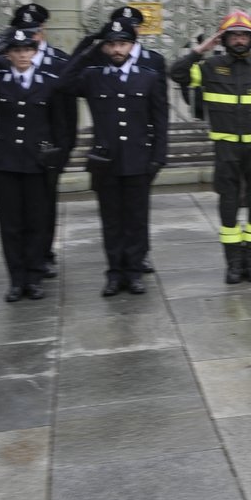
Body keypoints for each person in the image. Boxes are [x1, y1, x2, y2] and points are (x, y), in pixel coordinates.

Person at [170, 10, 251, 284]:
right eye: (233, 34)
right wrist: (201, 49)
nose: (239, 39)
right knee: (228, 205)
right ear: (224, 38)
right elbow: (176, 73)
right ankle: (234, 264)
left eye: (244, 34)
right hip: (226, 149)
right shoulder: (209, 67)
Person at [56, 17, 168, 297]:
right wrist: (88, 47)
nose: (117, 49)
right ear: (105, 48)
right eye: (112, 45)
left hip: (138, 160)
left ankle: (133, 272)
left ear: (133, 45)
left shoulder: (149, 77)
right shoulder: (94, 76)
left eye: (123, 44)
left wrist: (158, 158)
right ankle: (114, 273)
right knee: (111, 221)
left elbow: (160, 120)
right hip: (105, 161)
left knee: (136, 219)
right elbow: (63, 83)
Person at [0, 28, 71, 301]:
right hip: (5, 161)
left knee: (36, 221)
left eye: (27, 50)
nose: (22, 55)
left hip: (37, 161)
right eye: (17, 51)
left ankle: (33, 278)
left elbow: (59, 122)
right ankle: (16, 279)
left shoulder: (49, 81)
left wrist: (57, 156)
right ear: (8, 54)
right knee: (10, 224)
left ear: (34, 52)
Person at [10, 3, 70, 279]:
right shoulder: (8, 61)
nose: (30, 36)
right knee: (18, 209)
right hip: (17, 151)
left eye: (33, 31)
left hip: (48, 149)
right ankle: (23, 257)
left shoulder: (58, 61)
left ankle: (43, 253)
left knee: (45, 205)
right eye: (23, 31)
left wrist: (64, 150)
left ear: (42, 31)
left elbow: (66, 114)